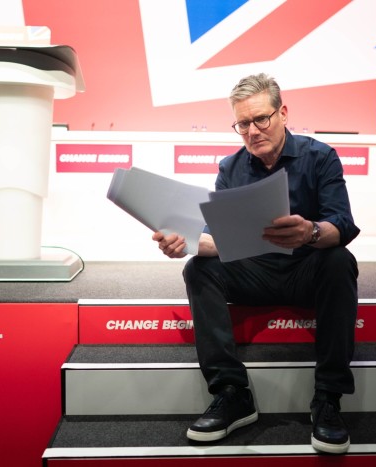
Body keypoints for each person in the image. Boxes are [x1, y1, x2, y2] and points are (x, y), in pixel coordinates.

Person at [152, 73, 360, 454]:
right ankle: (232, 393)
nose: (252, 130)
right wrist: (188, 245)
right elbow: (220, 239)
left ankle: (328, 398)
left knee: (339, 261)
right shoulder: (230, 169)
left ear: (282, 113)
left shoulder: (320, 157)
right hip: (254, 270)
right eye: (242, 123)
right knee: (198, 268)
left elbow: (342, 225)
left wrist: (311, 232)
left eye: (260, 119)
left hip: (306, 269)